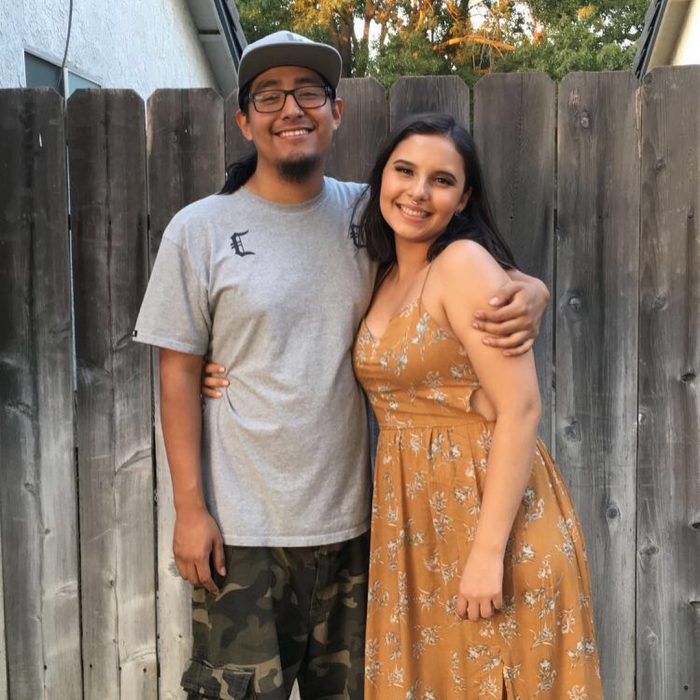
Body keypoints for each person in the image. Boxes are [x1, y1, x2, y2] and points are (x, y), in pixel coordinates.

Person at [135, 30, 550, 700]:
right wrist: (189, 510)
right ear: (244, 120)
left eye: (308, 92)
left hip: (362, 529)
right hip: (243, 533)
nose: (290, 108)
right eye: (269, 96)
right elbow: (178, 371)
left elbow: (460, 263)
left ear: (337, 113)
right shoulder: (199, 230)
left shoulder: (374, 214)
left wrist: (533, 290)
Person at [350, 112, 603, 698]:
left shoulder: (461, 264)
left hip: (493, 524)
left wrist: (487, 555)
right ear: (380, 178)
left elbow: (520, 409)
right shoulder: (384, 272)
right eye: (404, 171)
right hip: (415, 527)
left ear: (464, 199)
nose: (417, 192)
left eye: (441, 180)